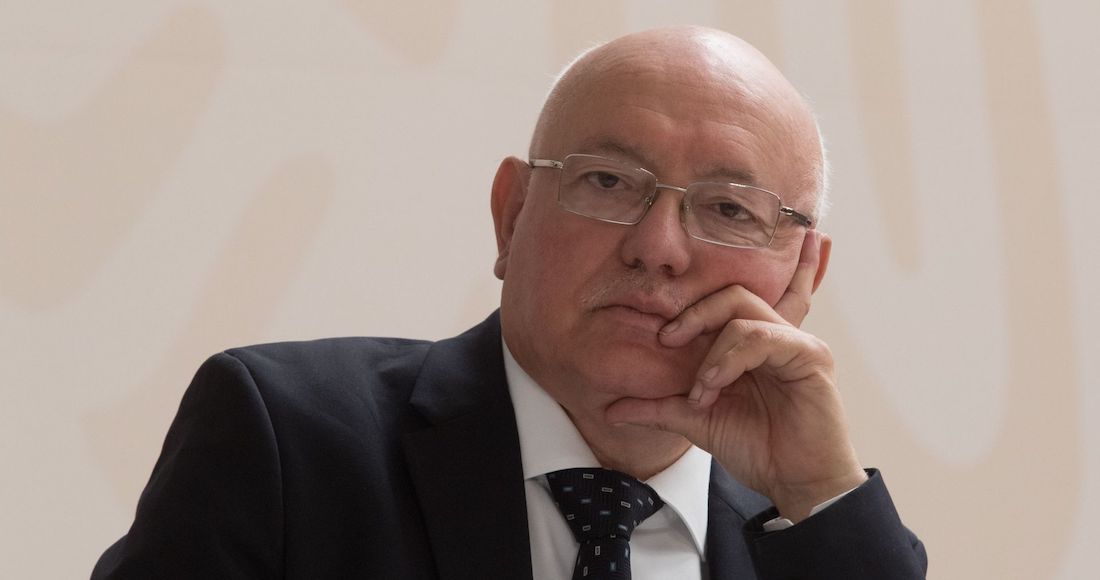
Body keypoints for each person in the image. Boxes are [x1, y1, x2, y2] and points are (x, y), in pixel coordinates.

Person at [93, 26, 927, 579]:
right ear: (511, 214)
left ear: (803, 274)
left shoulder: (814, 534)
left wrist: (819, 491)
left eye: (729, 210)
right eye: (609, 182)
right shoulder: (287, 442)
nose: (658, 246)